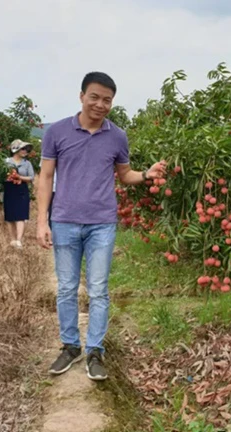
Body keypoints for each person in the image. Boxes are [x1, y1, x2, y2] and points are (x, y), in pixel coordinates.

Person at [37, 71, 166, 381]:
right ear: (82, 96)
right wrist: (42, 220)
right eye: (94, 97)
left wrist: (146, 175)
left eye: (107, 100)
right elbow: (45, 177)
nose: (100, 104)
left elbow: (125, 175)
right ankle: (70, 346)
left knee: (98, 290)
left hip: (102, 224)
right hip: (65, 220)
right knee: (66, 288)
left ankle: (95, 350)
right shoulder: (56, 132)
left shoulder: (117, 136)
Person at [4, 139, 35, 248]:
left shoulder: (27, 163)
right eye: (23, 148)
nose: (25, 151)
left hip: (22, 189)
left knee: (21, 215)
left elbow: (31, 177)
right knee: (10, 215)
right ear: (15, 150)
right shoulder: (6, 162)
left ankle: (18, 240)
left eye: (26, 149)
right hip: (9, 189)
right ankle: (12, 239)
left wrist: (19, 177)